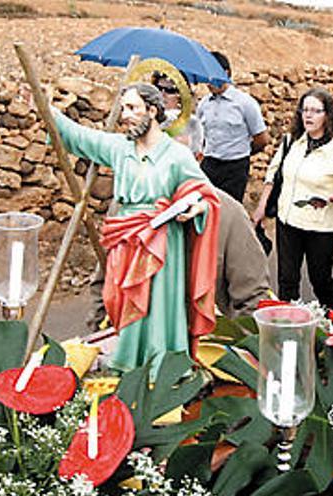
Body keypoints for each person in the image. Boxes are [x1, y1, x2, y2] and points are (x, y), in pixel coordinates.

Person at [50, 83, 219, 374]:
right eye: (123, 108)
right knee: (120, 297)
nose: (124, 115)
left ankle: (161, 363)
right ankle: (128, 358)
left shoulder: (176, 155)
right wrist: (47, 110)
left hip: (161, 240)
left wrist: (197, 207)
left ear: (152, 111)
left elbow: (205, 193)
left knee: (159, 302)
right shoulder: (120, 148)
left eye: (132, 108)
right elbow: (79, 137)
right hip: (126, 237)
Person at [87, 185, 274, 327]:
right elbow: (103, 282)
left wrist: (228, 350)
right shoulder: (125, 207)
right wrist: (100, 335)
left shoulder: (228, 214)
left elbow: (253, 299)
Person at [255, 88, 333, 313]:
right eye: (305, 110)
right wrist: (261, 208)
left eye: (316, 111)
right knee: (287, 280)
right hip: (287, 220)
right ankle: (287, 326)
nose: (308, 115)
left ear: (328, 115)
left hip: (320, 225)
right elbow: (273, 174)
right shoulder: (292, 141)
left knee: (320, 280)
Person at [196, 51, 270, 202]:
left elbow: (262, 139)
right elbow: (201, 135)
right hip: (209, 164)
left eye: (212, 77)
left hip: (234, 167)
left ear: (226, 73)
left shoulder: (245, 103)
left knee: (230, 209)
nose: (209, 82)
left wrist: (242, 152)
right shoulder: (204, 104)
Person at [152, 71, 204, 159]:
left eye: (170, 90)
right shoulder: (147, 120)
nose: (162, 94)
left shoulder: (192, 122)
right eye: (158, 89)